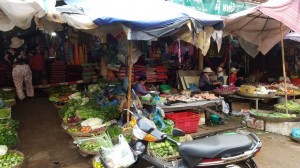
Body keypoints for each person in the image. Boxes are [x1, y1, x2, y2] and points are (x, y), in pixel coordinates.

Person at [10, 37, 34, 101]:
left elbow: (9, 61)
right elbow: (30, 56)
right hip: (25, 67)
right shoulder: (24, 50)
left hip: (16, 68)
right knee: (28, 82)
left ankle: (21, 98)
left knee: (18, 84)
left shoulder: (10, 51)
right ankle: (30, 95)